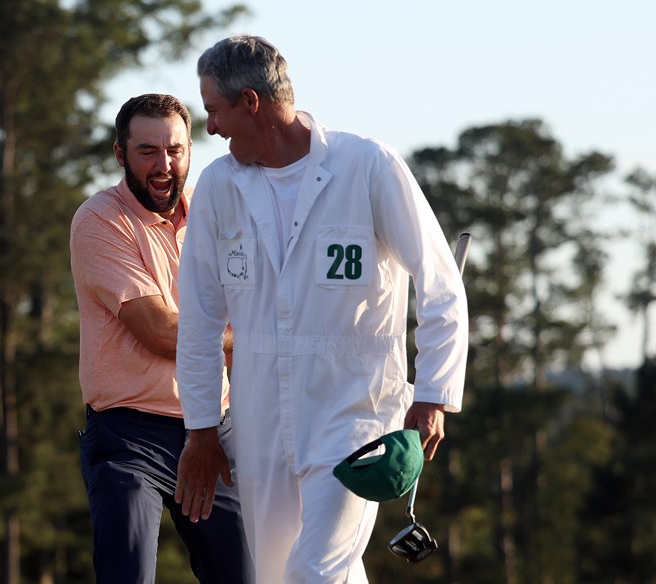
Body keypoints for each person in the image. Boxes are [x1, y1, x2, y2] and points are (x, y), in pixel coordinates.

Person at [173, 35, 469, 583]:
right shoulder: (218, 185)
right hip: (261, 420)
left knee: (314, 571)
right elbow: (198, 320)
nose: (210, 128)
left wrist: (434, 394)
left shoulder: (367, 165)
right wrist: (202, 429)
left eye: (215, 110)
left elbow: (441, 284)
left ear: (252, 103)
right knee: (279, 573)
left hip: (354, 412)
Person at [70, 93, 253, 584]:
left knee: (246, 575)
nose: (163, 164)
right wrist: (260, 334)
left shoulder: (220, 218)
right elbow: (160, 332)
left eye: (174, 150)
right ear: (120, 155)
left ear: (190, 150)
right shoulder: (99, 219)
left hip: (214, 428)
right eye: (147, 151)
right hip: (129, 437)